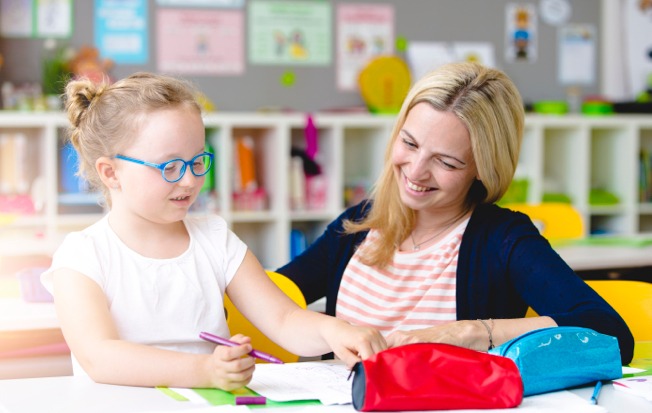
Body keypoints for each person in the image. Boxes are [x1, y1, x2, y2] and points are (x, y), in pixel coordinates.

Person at [41, 72, 387, 390]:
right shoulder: (81, 257)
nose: (190, 180)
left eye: (197, 161)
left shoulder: (214, 239)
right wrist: (205, 371)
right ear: (111, 173)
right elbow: (100, 357)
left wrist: (334, 330)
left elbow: (283, 320)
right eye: (170, 166)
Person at [277, 62, 635, 364]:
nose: (415, 172)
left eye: (446, 162)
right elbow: (275, 297)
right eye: (409, 143)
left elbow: (611, 334)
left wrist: (474, 332)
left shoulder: (502, 239)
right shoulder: (360, 224)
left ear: (483, 167)